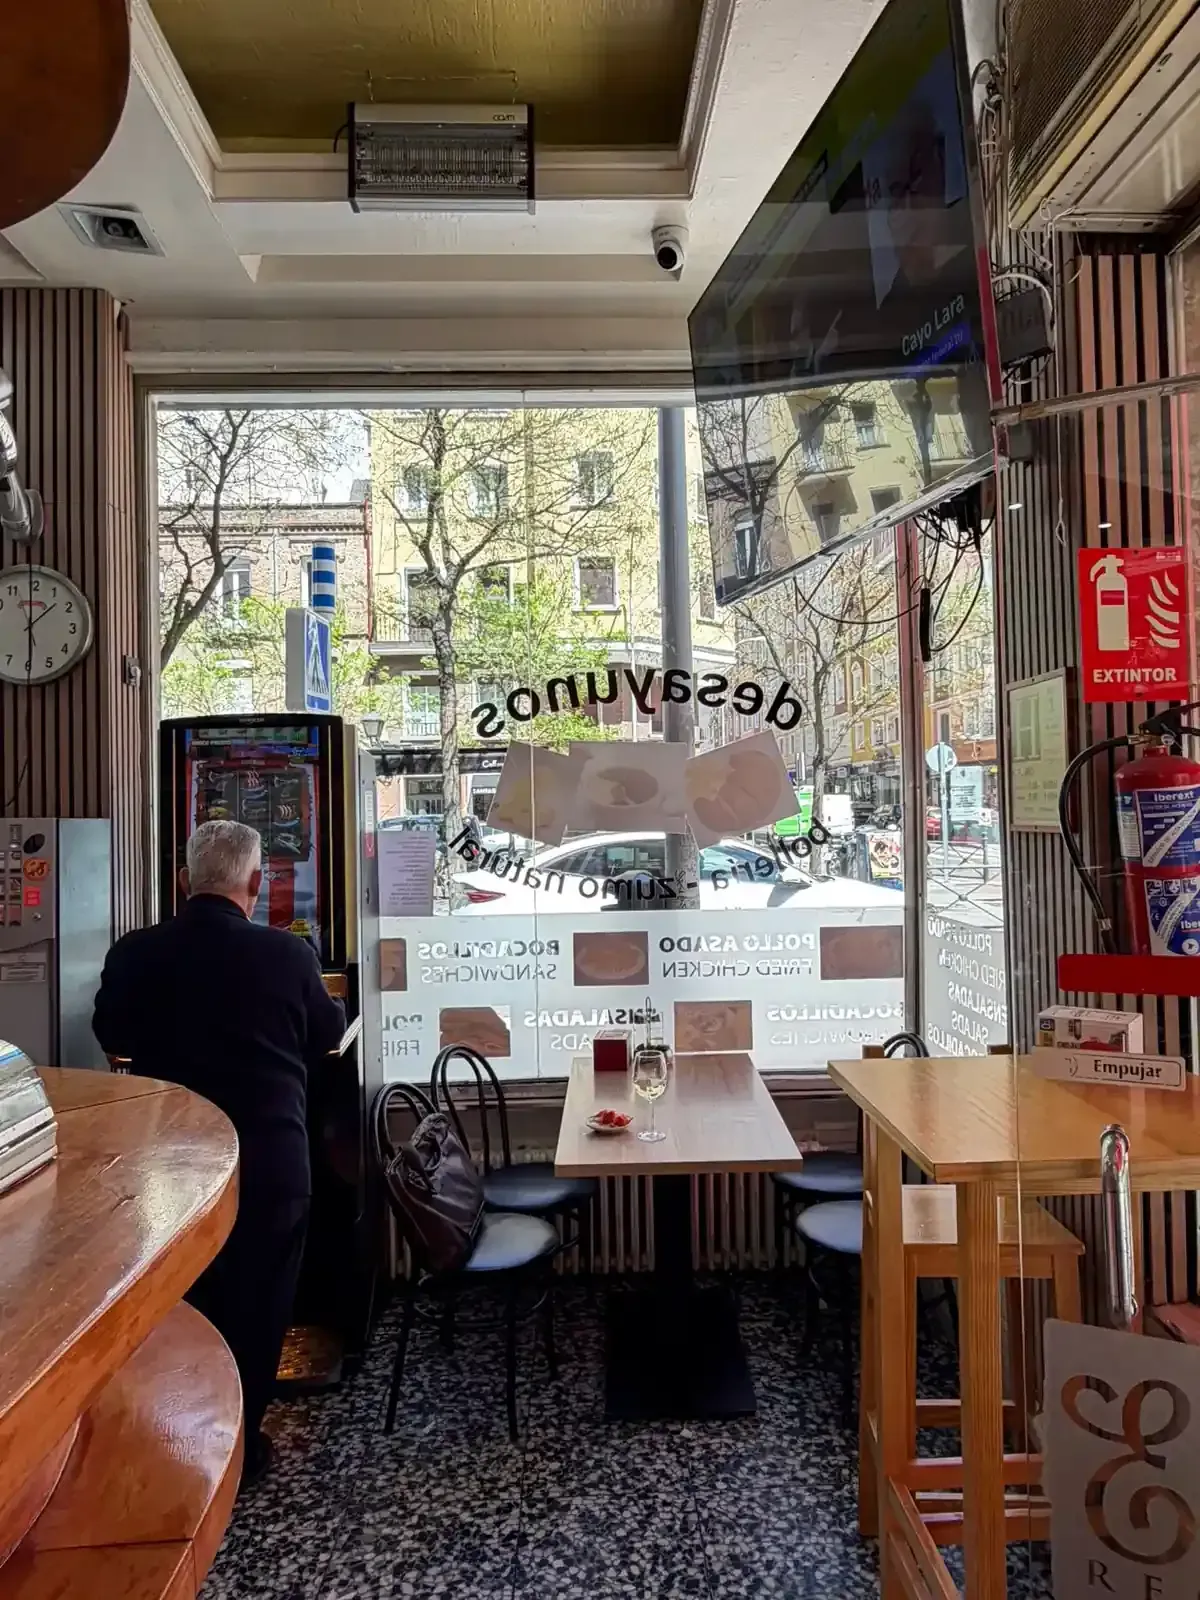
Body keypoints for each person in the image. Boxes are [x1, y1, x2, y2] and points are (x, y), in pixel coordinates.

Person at [92, 819, 346, 1482]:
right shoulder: (288, 956)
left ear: (183, 881)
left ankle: (181, 1437)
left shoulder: (136, 952)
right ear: (256, 884)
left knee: (187, 1300)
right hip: (271, 1158)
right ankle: (241, 1442)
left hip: (171, 1160)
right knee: (261, 1304)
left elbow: (110, 1032)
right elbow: (327, 1035)